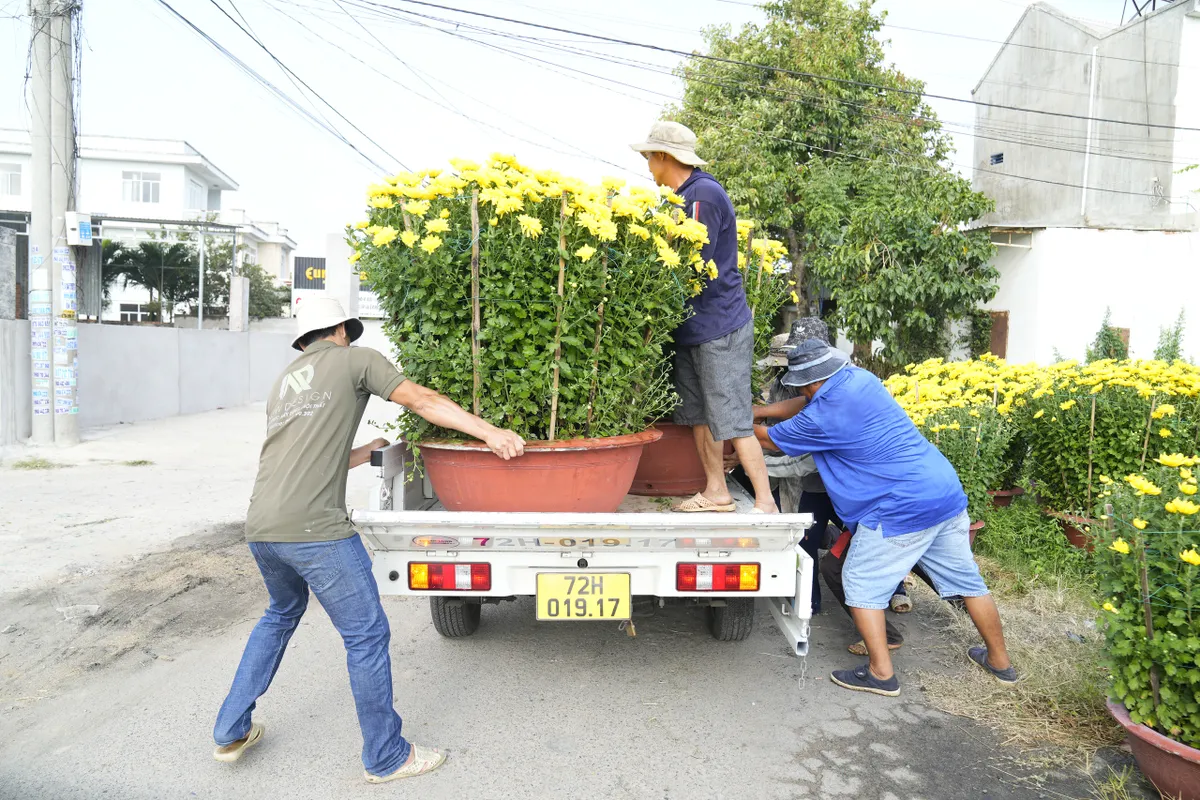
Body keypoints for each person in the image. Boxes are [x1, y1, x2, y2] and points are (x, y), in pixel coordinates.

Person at [212, 297, 525, 782]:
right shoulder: (357, 359)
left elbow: (299, 455)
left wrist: (362, 453)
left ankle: (230, 730)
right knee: (366, 635)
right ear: (341, 328)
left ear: (303, 339)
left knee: (279, 614)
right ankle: (386, 757)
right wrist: (488, 432)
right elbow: (422, 399)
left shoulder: (285, 383)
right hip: (316, 531)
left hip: (262, 527)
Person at [757, 339, 1017, 697]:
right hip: (943, 492)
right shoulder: (860, 379)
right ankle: (1000, 662)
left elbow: (771, 442)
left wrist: (738, 422)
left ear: (808, 381)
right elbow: (803, 401)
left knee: (859, 580)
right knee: (968, 582)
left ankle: (881, 674)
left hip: (901, 505)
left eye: (800, 383)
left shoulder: (824, 417)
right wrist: (760, 409)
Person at [630, 120, 777, 514]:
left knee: (730, 414)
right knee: (699, 414)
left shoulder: (702, 197)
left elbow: (693, 262)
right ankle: (716, 491)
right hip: (695, 328)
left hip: (720, 326)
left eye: (649, 158)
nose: (647, 166)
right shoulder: (683, 196)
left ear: (664, 157)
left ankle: (765, 501)